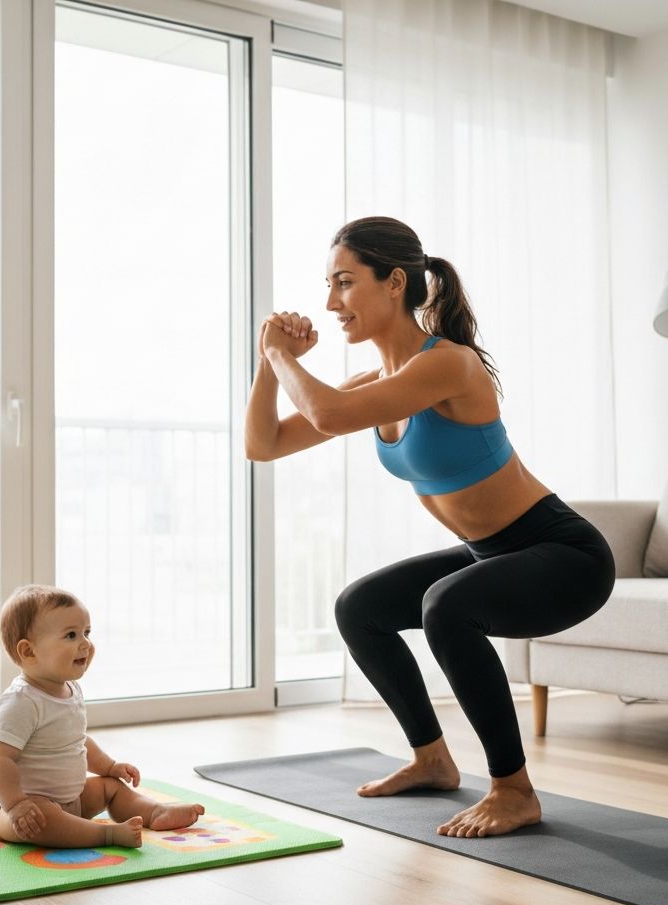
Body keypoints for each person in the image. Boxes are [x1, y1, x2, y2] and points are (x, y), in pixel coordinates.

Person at [245, 216, 615, 838]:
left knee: (445, 605)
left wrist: (281, 352)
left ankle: (514, 790)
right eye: (328, 285)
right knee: (358, 607)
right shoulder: (378, 381)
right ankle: (432, 760)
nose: (331, 302)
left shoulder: (448, 365)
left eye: (343, 282)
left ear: (395, 283)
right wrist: (266, 362)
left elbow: (328, 415)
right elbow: (265, 444)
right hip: (490, 554)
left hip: (565, 555)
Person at [0, 583, 205, 848]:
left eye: (86, 633)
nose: (85, 644)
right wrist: (16, 804)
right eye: (71, 635)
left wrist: (110, 767)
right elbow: (2, 760)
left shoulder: (71, 690)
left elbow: (78, 742)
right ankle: (105, 835)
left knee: (110, 787)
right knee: (44, 818)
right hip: (20, 812)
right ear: (29, 651)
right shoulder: (20, 702)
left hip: (72, 799)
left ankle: (153, 812)